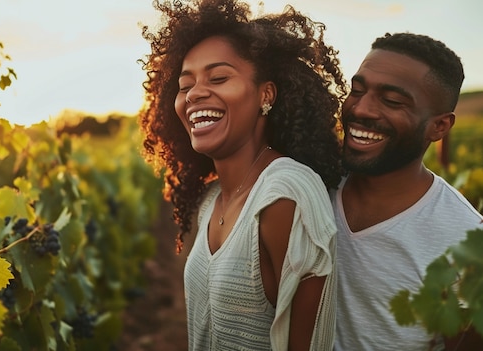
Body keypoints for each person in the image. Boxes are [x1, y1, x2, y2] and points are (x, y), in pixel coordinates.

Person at [138, 0, 347, 349]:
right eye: (185, 84)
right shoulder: (211, 200)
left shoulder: (285, 193)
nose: (195, 94)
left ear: (266, 94)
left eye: (219, 77)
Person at [332, 32, 483, 350]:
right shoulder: (311, 183)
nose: (361, 109)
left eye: (392, 101)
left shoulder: (465, 243)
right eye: (357, 90)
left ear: (439, 127)